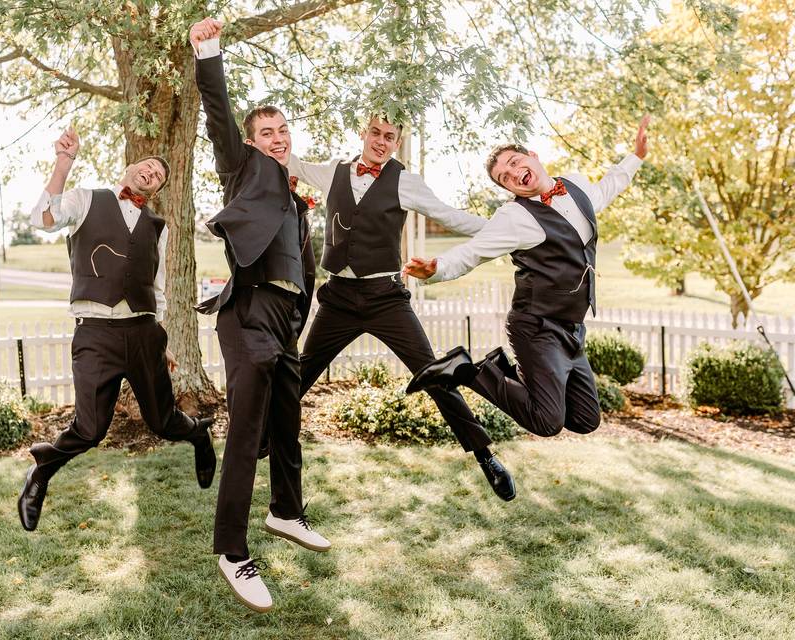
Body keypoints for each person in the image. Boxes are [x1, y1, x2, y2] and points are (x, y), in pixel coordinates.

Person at [280, 116, 515, 501]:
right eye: (375, 132)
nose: (381, 141)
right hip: (338, 297)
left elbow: (450, 216)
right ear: (362, 133)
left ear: (397, 143)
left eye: (390, 137)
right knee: (301, 374)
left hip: (385, 299)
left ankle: (485, 455)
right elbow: (293, 163)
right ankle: (262, 438)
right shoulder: (334, 171)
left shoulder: (406, 181)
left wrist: (505, 228)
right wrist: (262, 143)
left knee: (433, 373)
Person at [190, 17, 328, 613]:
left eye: (282, 130)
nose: (276, 137)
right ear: (251, 142)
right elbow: (218, 111)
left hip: (285, 317)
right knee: (247, 433)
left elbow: (305, 271)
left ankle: (286, 511)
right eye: (266, 131)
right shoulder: (243, 168)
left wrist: (299, 320)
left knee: (288, 423)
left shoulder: (298, 200)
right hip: (246, 313)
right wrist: (209, 52)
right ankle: (231, 549)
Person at [17, 127, 216, 533]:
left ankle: (198, 436)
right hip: (95, 334)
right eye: (146, 166)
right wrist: (63, 164)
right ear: (128, 169)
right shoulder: (86, 199)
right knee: (90, 429)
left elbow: (156, 288)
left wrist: (161, 342)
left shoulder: (156, 226)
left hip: (144, 333)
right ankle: (41, 473)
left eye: (159, 175)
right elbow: (43, 219)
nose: (151, 173)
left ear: (158, 189)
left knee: (162, 422)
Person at [404, 116, 650, 440]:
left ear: (533, 156)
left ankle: (504, 370)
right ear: (508, 189)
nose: (512, 174)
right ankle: (466, 369)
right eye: (504, 178)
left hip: (572, 328)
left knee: (586, 419)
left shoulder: (575, 187)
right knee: (547, 422)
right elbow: (474, 252)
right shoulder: (514, 216)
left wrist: (636, 157)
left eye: (514, 162)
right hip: (536, 327)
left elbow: (608, 187)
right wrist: (437, 267)